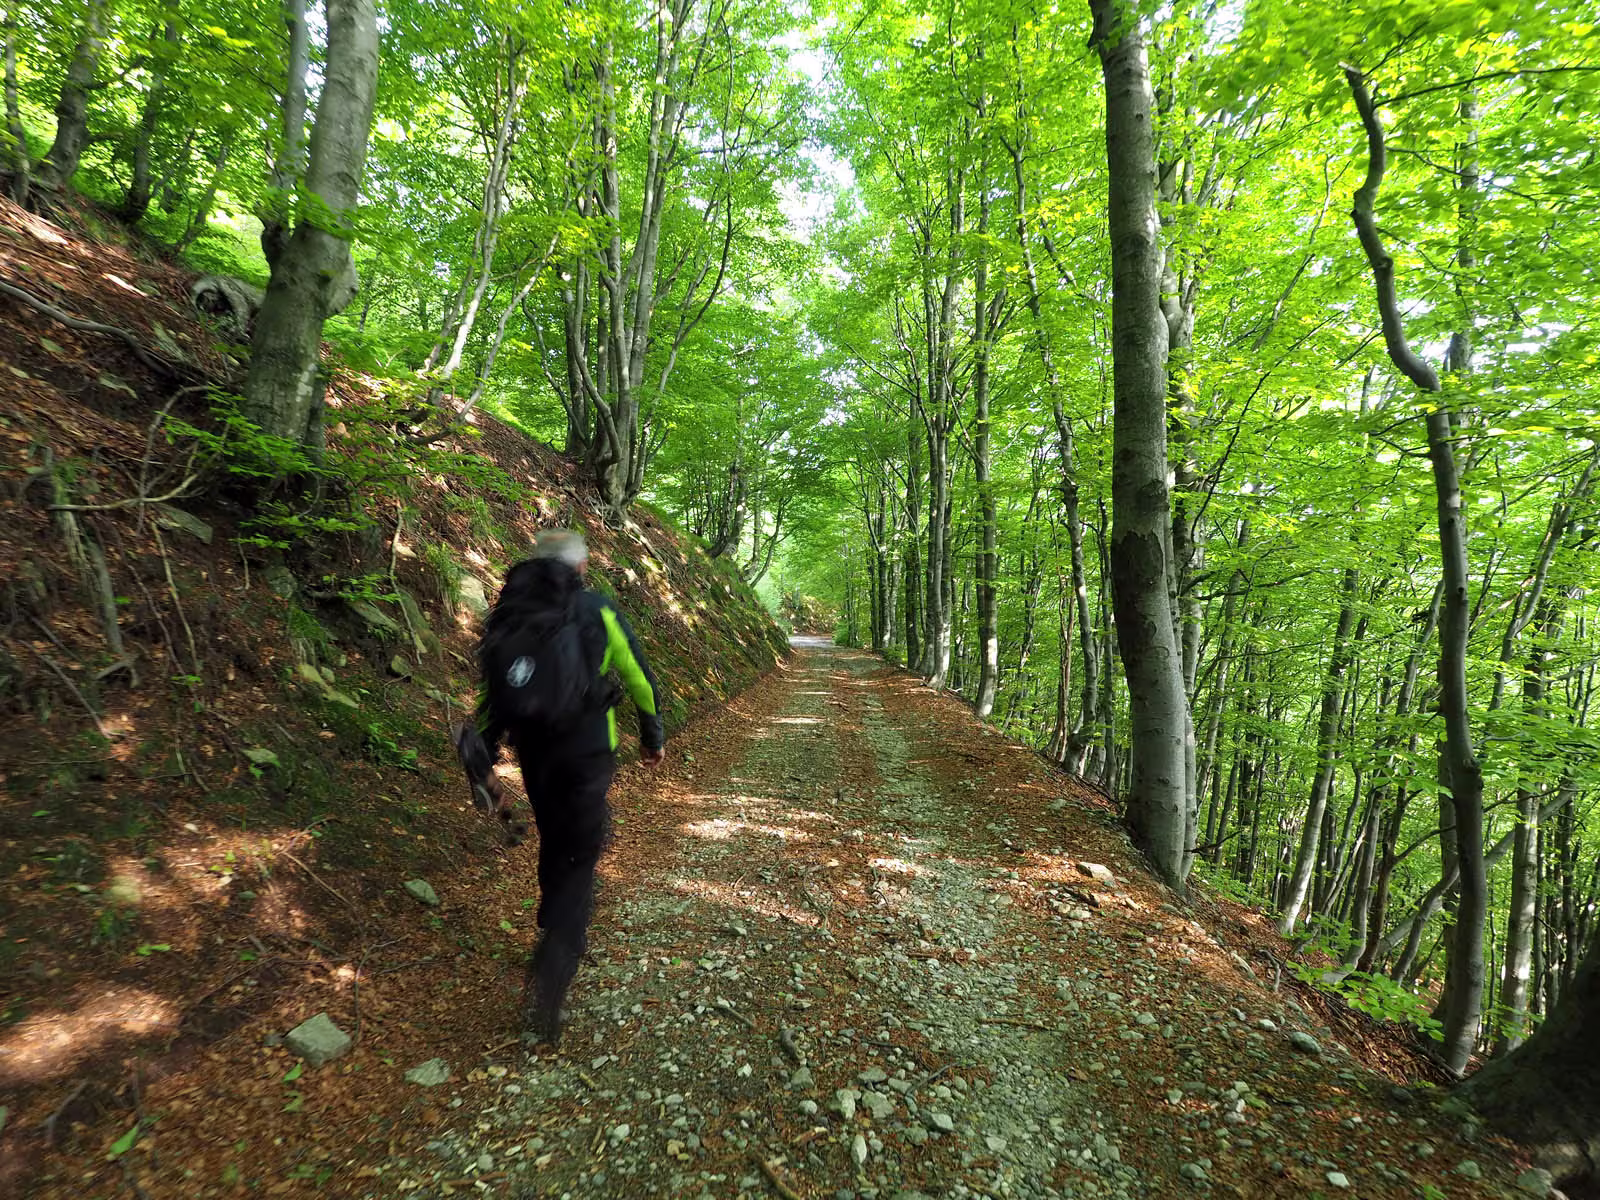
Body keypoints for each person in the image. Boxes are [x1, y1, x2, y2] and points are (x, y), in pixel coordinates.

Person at [473, 529, 665, 1045]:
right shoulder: (596, 609)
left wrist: (487, 758)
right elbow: (639, 676)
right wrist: (653, 735)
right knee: (582, 850)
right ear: (580, 568)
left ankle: (549, 916)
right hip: (588, 752)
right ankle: (555, 964)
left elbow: (492, 692)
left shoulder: (510, 610)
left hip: (534, 754)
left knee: (555, 835)